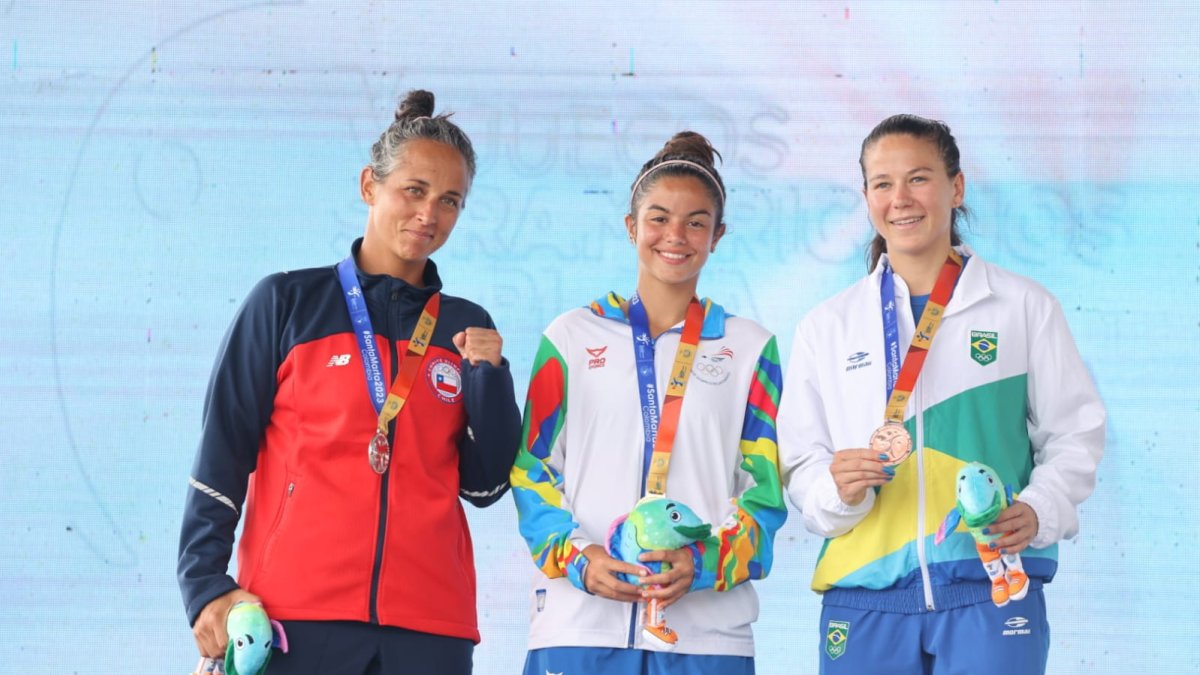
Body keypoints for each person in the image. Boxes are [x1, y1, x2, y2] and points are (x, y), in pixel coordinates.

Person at [177, 89, 521, 675]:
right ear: (370, 186)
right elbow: (222, 453)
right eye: (414, 190)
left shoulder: (465, 326)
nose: (429, 215)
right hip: (294, 615)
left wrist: (489, 380)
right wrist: (205, 586)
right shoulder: (286, 303)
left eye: (450, 201)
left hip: (431, 625)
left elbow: (485, 487)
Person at [778, 114, 1106, 674]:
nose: (900, 199)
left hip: (992, 587)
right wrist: (837, 491)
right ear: (865, 198)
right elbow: (801, 462)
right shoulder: (827, 326)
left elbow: (1075, 434)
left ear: (956, 186)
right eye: (882, 183)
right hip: (865, 598)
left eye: (919, 178)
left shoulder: (1021, 306)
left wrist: (1039, 507)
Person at [510, 131, 787, 675]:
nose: (675, 236)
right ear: (631, 226)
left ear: (718, 235)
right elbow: (532, 470)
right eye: (658, 218)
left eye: (696, 222)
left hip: (706, 637)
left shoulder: (751, 347)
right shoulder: (568, 336)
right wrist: (579, 559)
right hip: (578, 627)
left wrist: (703, 562)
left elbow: (765, 492)